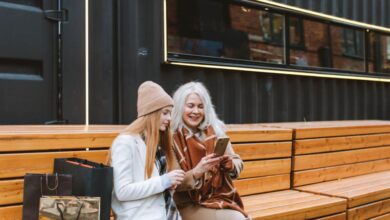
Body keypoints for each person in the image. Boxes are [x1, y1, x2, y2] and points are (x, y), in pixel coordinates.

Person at [171, 82, 248, 220]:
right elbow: (173, 183)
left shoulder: (215, 132)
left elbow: (238, 164)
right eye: (190, 106)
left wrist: (229, 164)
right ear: (179, 107)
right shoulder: (172, 138)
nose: (196, 111)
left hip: (218, 197)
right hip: (187, 204)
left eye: (201, 107)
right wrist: (197, 172)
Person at [109, 81, 185, 220]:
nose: (169, 118)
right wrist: (164, 181)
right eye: (165, 113)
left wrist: (168, 184)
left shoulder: (156, 143)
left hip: (165, 213)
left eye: (170, 113)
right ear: (152, 113)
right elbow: (122, 191)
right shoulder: (125, 142)